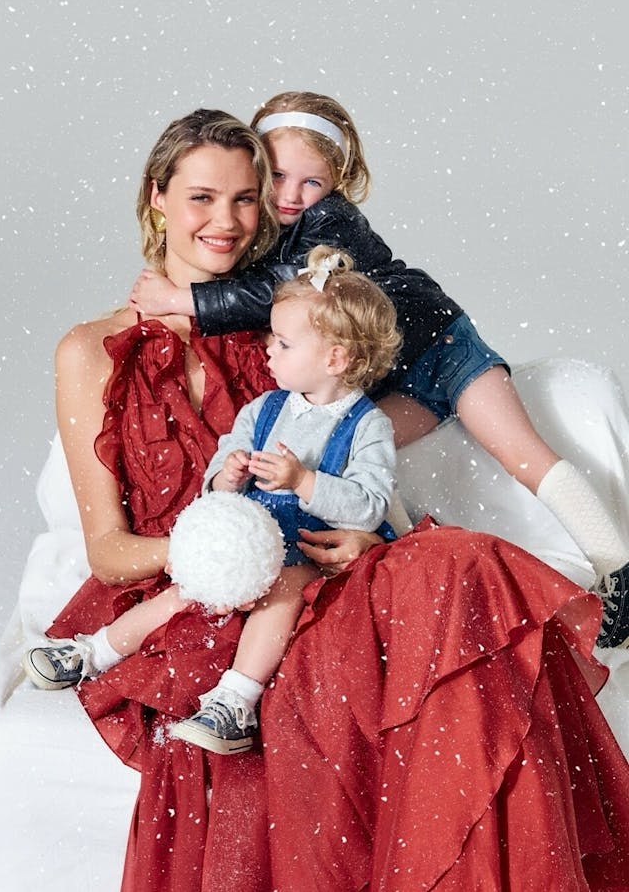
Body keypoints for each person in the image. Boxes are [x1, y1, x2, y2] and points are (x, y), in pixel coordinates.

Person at [25, 106, 629, 891]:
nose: (228, 220)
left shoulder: (289, 331)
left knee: (462, 567)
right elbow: (109, 551)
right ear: (156, 197)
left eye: (248, 198)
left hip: (321, 569)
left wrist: (371, 538)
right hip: (198, 593)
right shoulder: (89, 349)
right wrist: (224, 549)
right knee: (316, 691)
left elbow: (376, 433)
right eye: (203, 197)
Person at [129, 90, 629, 648]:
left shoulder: (331, 223)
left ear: (337, 184)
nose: (292, 195)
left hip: (443, 347)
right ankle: (382, 554)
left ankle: (620, 576)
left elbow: (269, 292)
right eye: (278, 178)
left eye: (312, 182)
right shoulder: (266, 230)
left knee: (521, 453)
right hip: (392, 378)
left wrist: (184, 299)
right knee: (356, 457)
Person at [23, 244, 403, 759]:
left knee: (283, 591)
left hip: (311, 555)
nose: (269, 352)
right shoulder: (264, 407)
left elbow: (370, 506)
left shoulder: (368, 426)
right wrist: (226, 478)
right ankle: (92, 650)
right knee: (186, 589)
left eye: (285, 345)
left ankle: (235, 699)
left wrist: (304, 481)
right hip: (252, 540)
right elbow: (215, 475)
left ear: (335, 358)